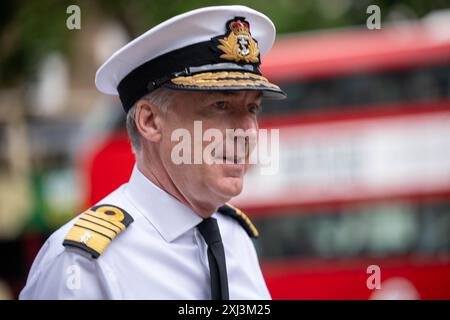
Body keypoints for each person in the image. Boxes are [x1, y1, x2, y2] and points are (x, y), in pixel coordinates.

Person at [19, 5, 286, 299]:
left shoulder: (236, 239)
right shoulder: (84, 267)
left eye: (253, 108)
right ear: (149, 121)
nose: (247, 132)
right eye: (221, 106)